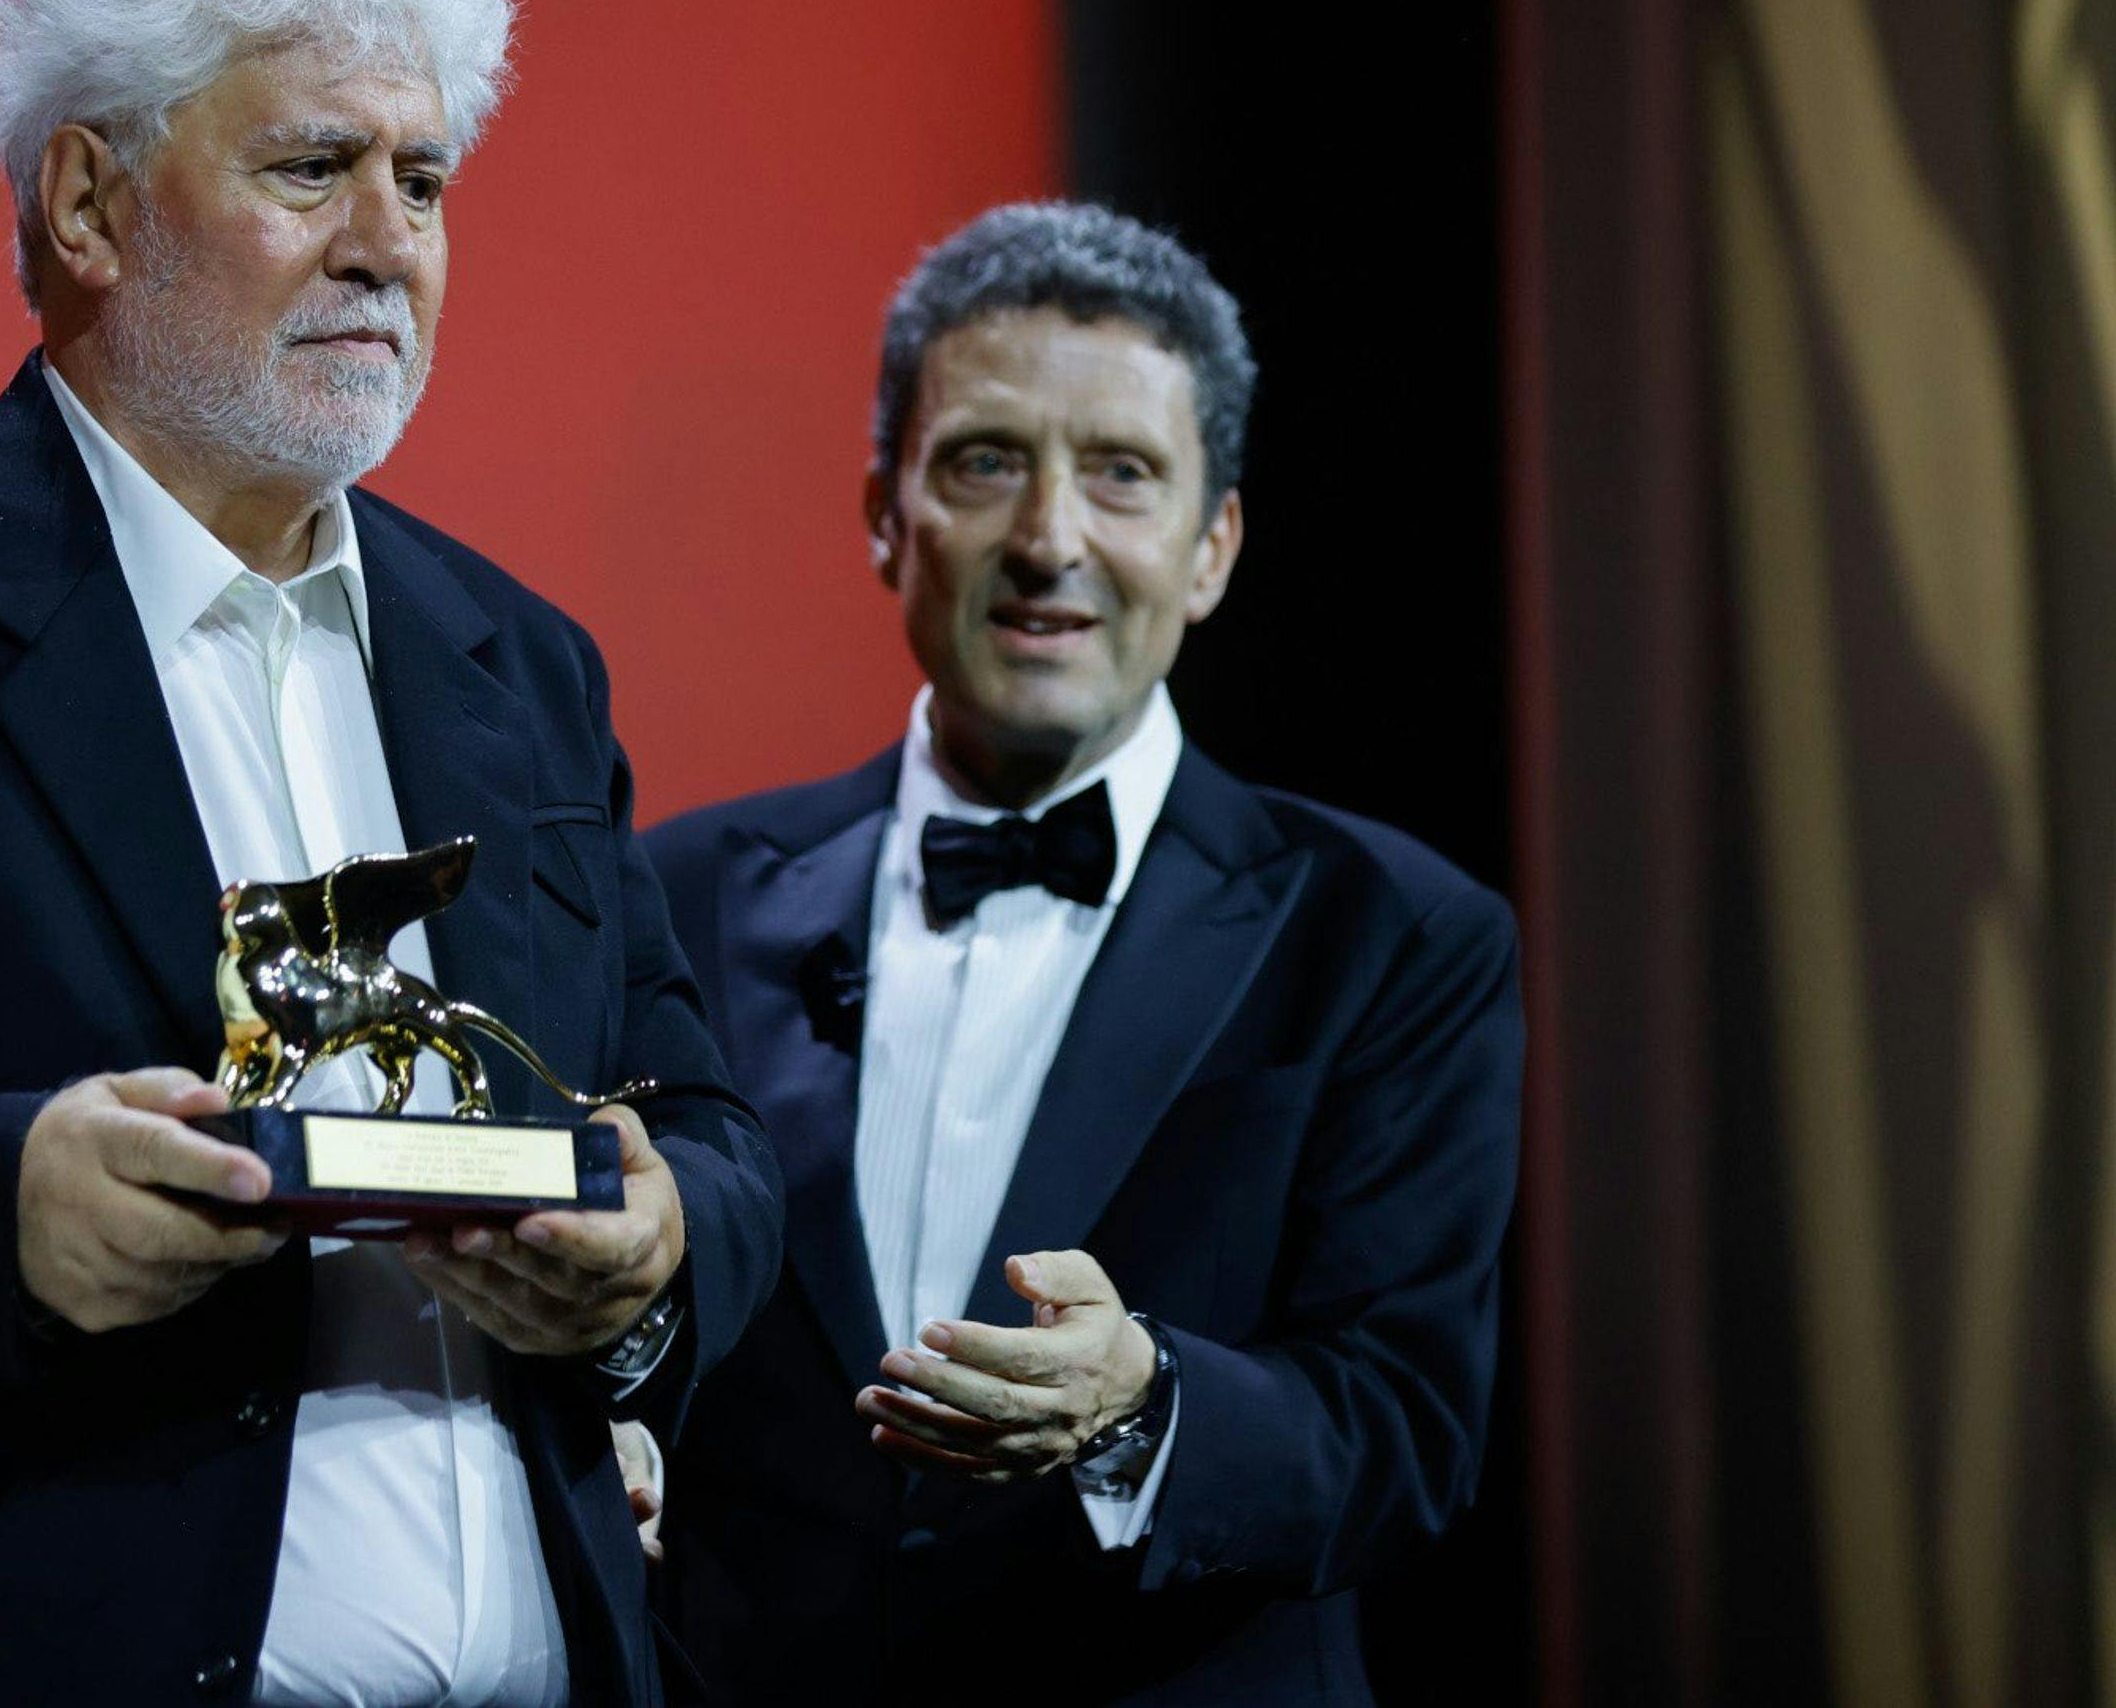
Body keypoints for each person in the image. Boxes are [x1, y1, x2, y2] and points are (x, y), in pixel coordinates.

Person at [0, 0, 782, 1708]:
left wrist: (656, 1247)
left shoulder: (524, 662)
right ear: (86, 206)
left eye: (424, 178)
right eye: (312, 168)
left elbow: (709, 1130)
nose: (386, 244)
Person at [639, 203, 1521, 1704]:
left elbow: (1406, 1437)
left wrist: (1147, 1405)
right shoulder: (674, 886)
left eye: (1122, 475)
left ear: (1212, 547)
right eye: (987, 462)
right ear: (883, 514)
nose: (1051, 539)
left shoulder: (1396, 936)